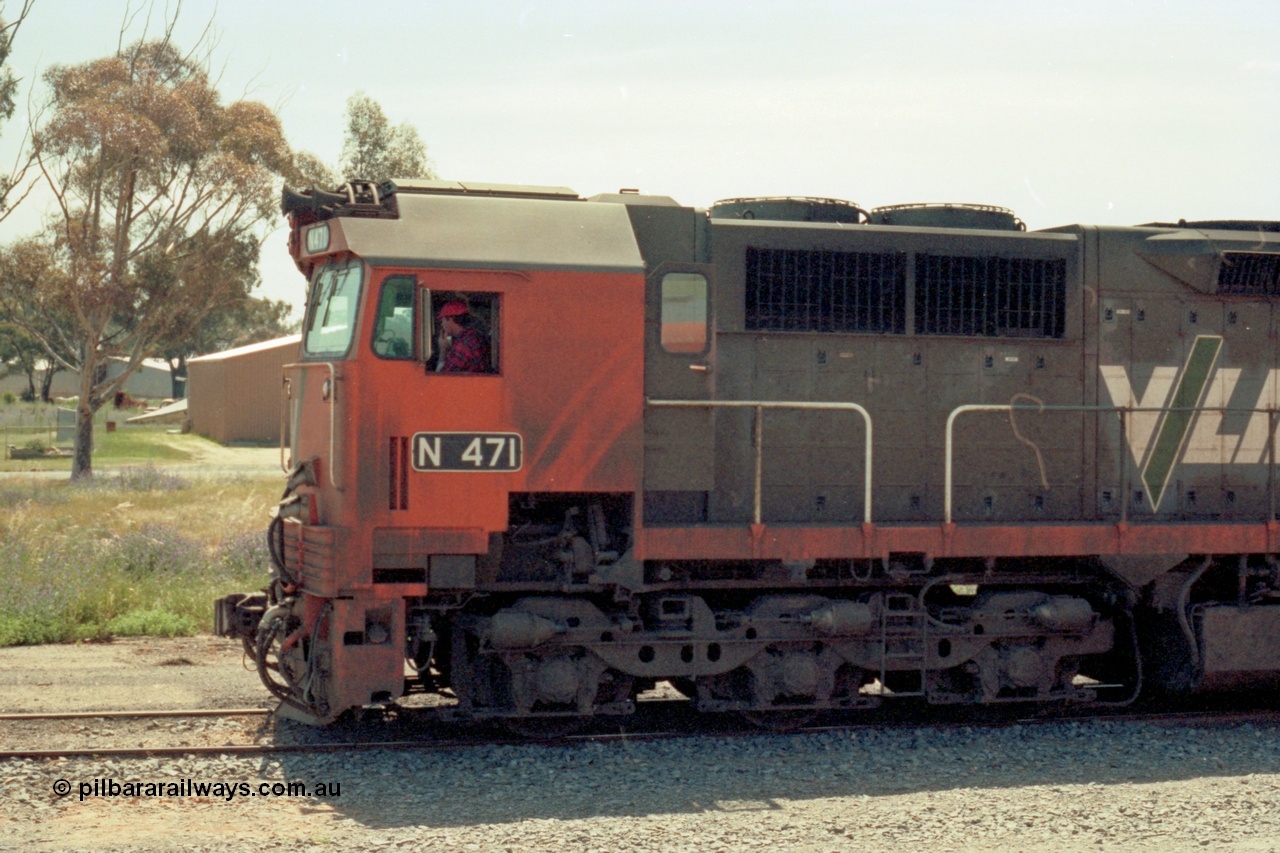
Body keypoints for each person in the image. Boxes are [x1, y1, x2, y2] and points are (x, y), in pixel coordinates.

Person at [437, 300, 491, 373]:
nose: (442, 325)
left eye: (442, 321)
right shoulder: (474, 336)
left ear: (450, 319)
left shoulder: (462, 346)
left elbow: (441, 378)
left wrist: (443, 350)